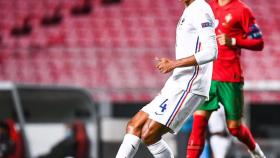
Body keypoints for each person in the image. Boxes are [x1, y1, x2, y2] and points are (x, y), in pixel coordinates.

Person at [115, 0, 218, 157]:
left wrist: (174, 64)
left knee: (149, 135)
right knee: (134, 126)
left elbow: (211, 52)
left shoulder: (200, 9)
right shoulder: (190, 9)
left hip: (190, 85)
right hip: (177, 82)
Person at [185, 0, 265, 157]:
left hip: (230, 77)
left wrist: (233, 41)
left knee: (235, 128)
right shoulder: (207, 7)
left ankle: (256, 152)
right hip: (207, 77)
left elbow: (259, 42)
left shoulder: (242, 10)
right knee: (198, 124)